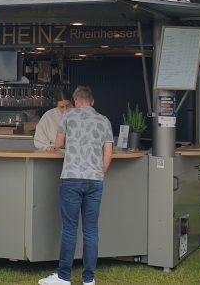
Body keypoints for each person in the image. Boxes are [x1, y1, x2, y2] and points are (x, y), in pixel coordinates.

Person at [39, 86, 113, 285]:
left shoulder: (68, 116)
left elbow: (58, 143)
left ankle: (64, 277)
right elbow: (108, 154)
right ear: (92, 101)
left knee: (70, 229)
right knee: (91, 230)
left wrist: (72, 142)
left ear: (75, 101)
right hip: (95, 180)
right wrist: (99, 174)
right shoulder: (104, 120)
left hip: (71, 178)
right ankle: (89, 279)